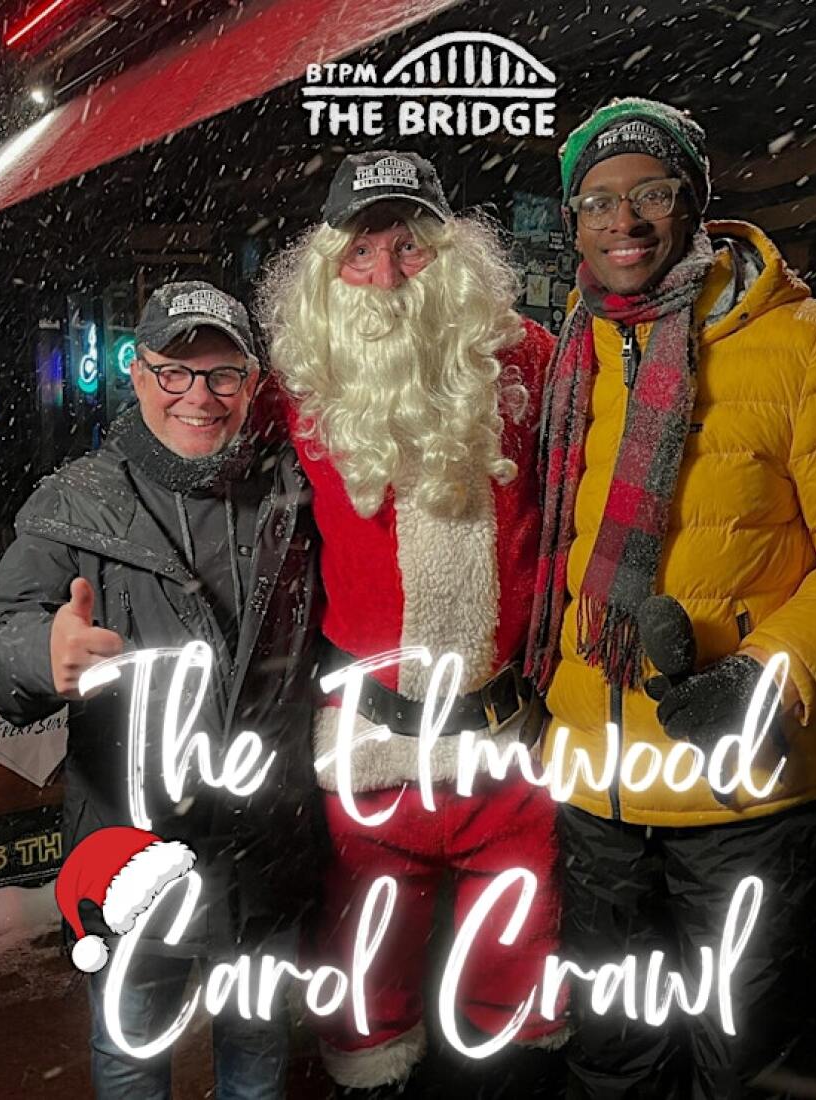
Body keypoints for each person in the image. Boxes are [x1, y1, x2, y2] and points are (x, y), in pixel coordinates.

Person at [525, 97, 816, 1098]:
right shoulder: (572, 353)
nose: (622, 221)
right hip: (595, 782)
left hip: (740, 787)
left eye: (649, 192)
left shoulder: (811, 343)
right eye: (596, 201)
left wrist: (766, 673)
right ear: (572, 222)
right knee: (616, 1057)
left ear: (694, 204)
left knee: (747, 1062)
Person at [258, 150, 566, 1098]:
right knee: (366, 993)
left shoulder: (533, 359)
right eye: (361, 255)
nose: (387, 276)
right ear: (325, 272)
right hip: (371, 754)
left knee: (515, 999)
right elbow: (189, 457)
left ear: (454, 255)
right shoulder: (297, 383)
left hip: (505, 751)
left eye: (411, 249)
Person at [0, 281, 322, 1100]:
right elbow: (3, 634)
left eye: (221, 375)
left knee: (258, 1057)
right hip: (130, 850)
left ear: (252, 384)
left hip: (263, 847)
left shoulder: (294, 495)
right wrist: (45, 654)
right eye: (175, 371)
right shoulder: (77, 502)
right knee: (132, 1057)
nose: (198, 397)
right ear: (138, 376)